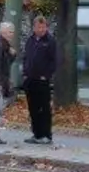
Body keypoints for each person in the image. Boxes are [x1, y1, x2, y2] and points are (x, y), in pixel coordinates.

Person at [20, 14, 60, 145]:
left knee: (44, 109)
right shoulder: (30, 40)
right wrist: (25, 73)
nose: (41, 30)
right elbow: (26, 57)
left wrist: (46, 75)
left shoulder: (50, 41)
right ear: (34, 27)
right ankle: (36, 134)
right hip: (30, 79)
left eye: (44, 27)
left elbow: (55, 61)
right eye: (39, 27)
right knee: (33, 108)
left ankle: (46, 135)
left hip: (42, 80)